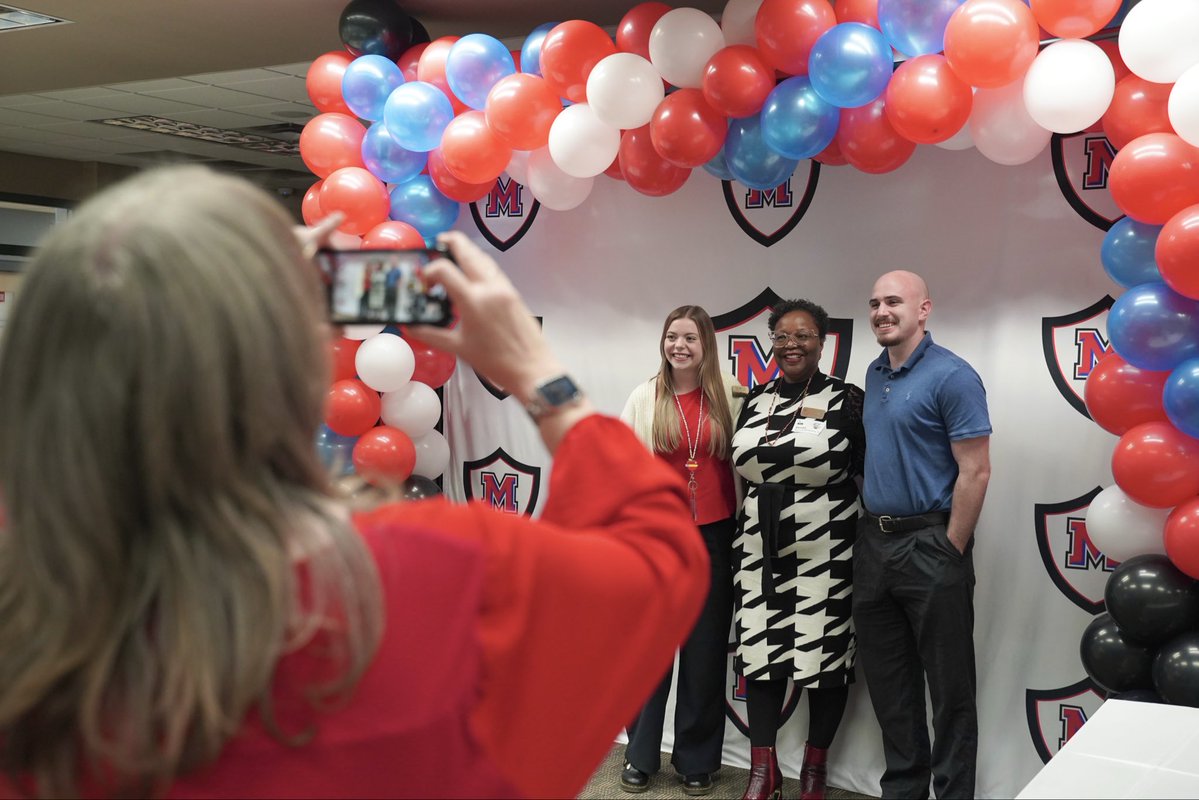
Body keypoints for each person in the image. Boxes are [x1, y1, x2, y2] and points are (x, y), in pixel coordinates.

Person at [0, 166, 710, 800]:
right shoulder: (426, 573)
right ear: (298, 369)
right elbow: (658, 558)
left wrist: (240, 302)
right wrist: (534, 374)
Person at [852, 270, 991, 800]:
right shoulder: (874, 372)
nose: (882, 312)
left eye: (894, 302)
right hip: (875, 546)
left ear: (924, 309)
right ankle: (904, 791)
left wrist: (950, 545)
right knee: (891, 688)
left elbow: (976, 470)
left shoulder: (953, 376)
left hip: (931, 546)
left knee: (950, 690)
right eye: (874, 304)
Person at [730, 299, 865, 800]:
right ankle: (762, 774)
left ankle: (814, 773)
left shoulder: (848, 399)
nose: (792, 344)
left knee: (823, 657)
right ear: (772, 342)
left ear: (822, 341)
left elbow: (867, 472)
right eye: (782, 336)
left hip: (827, 545)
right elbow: (741, 471)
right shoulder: (755, 399)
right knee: (761, 654)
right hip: (759, 546)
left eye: (803, 335)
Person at [618, 305, 747, 797]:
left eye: (690, 338)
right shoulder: (645, 396)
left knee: (705, 654)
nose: (680, 346)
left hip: (714, 539)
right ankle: (641, 755)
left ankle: (696, 760)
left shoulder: (729, 396)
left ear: (706, 345)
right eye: (672, 336)